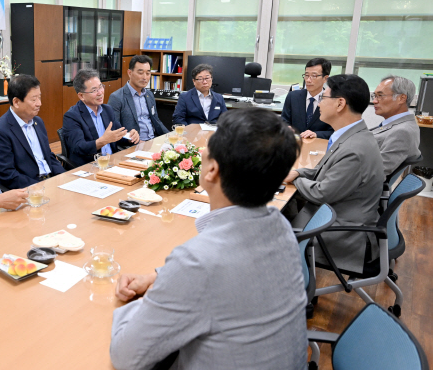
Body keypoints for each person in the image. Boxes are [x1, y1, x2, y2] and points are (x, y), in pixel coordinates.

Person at [110, 108, 306, 370]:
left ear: (212, 169)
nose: (201, 151)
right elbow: (225, 277)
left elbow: (126, 357)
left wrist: (152, 299)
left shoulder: (197, 261)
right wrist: (160, 277)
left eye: (208, 147)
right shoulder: (280, 225)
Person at [284, 74, 384, 274]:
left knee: (267, 229)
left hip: (341, 235)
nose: (319, 103)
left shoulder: (354, 149)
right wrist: (297, 172)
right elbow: (324, 170)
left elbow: (322, 193)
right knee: (285, 208)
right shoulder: (353, 135)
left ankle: (292, 291)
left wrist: (297, 179)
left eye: (323, 97)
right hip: (334, 215)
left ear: (340, 104)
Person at [0, 74, 65, 189]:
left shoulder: (38, 122)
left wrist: (64, 176)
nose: (39, 103)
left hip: (51, 181)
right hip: (30, 189)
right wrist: (40, 187)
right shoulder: (0, 131)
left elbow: (48, 156)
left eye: (39, 97)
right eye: (34, 99)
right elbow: (7, 175)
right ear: (16, 102)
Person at [63, 69, 140, 167]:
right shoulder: (72, 116)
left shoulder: (107, 110)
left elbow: (118, 136)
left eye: (100, 87)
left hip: (113, 162)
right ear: (81, 96)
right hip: (90, 166)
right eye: (94, 90)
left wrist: (130, 137)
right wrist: (103, 140)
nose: (100, 93)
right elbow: (79, 147)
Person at [109, 55, 169, 141]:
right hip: (132, 145)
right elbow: (114, 130)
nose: (145, 77)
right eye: (140, 73)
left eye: (148, 73)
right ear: (129, 73)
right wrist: (134, 140)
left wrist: (171, 135)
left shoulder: (149, 95)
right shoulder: (117, 97)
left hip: (153, 140)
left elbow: (156, 121)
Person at [370, 75, 421, 178]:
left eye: (380, 96)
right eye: (374, 96)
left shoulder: (402, 131)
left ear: (401, 98)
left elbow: (377, 171)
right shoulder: (396, 125)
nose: (374, 101)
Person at [281, 58, 334, 139]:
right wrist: (287, 128)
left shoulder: (331, 101)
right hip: (294, 144)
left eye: (314, 76)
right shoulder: (293, 96)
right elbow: (283, 121)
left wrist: (316, 134)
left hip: (318, 146)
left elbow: (334, 131)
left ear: (325, 79)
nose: (308, 80)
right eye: (306, 75)